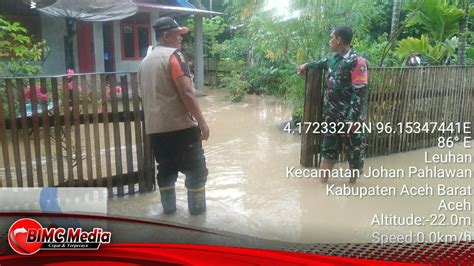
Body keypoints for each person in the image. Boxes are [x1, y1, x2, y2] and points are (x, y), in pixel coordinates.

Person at [138, 17, 210, 215]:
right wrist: (202, 122)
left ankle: (168, 214)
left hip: (156, 132)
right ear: (167, 36)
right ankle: (197, 222)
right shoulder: (174, 56)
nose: (181, 39)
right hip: (181, 129)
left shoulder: (144, 63)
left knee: (166, 172)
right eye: (178, 35)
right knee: (196, 173)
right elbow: (187, 92)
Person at [297, 25, 368, 183]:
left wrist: (354, 120)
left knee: (354, 154)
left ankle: (352, 185)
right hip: (332, 118)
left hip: (350, 119)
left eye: (331, 37)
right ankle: (322, 187)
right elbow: (320, 63)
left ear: (339, 40)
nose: (330, 41)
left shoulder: (357, 62)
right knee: (327, 150)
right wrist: (307, 65)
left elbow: (360, 92)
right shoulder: (333, 59)